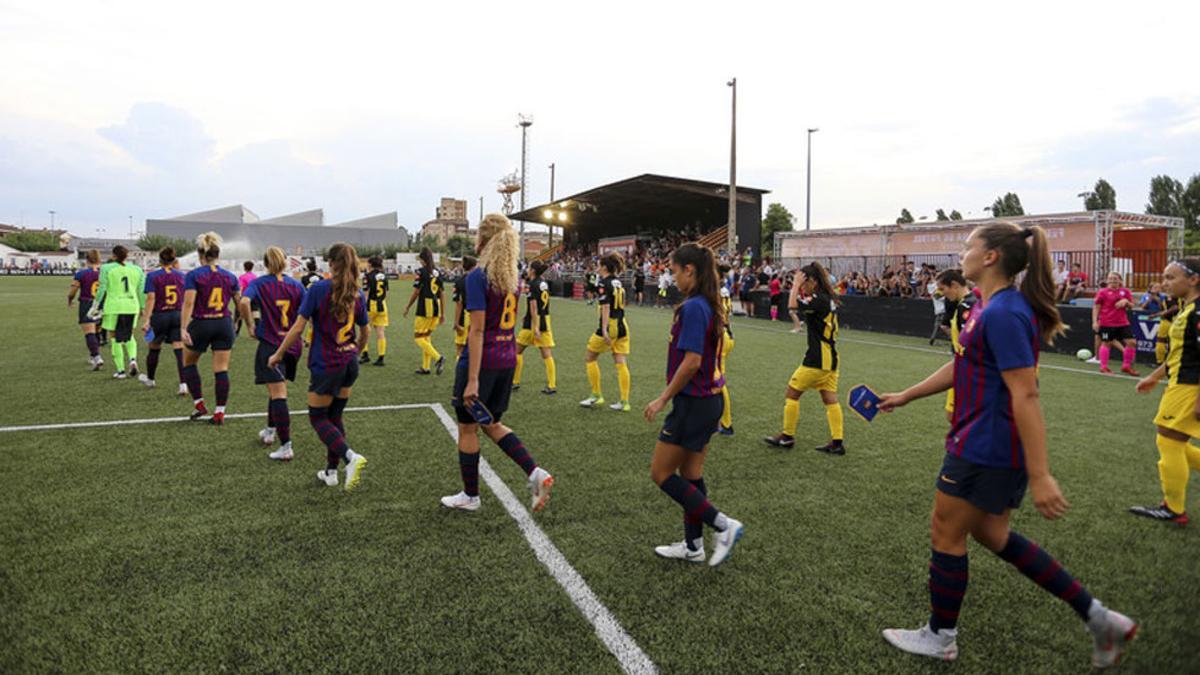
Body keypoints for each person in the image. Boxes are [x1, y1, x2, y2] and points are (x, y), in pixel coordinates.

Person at [876, 223, 1135, 666]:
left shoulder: (1005, 313)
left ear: (991, 256)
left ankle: (940, 636)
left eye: (968, 246)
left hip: (985, 447)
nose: (962, 253)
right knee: (993, 534)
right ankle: (1098, 617)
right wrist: (906, 395)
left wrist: (1040, 474)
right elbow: (964, 365)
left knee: (946, 531)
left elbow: (1026, 393)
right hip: (984, 443)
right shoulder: (986, 306)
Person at [441, 214, 554, 512]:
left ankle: (470, 496)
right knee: (491, 423)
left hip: (483, 362)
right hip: (506, 359)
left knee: (468, 429)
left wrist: (473, 378)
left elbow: (477, 330)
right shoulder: (511, 278)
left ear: (484, 239)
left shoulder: (479, 276)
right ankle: (535, 472)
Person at [644, 243, 744, 566]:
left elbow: (691, 363)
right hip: (709, 401)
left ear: (690, 270)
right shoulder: (707, 304)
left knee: (660, 472)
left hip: (694, 403)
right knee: (690, 474)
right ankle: (693, 546)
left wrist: (662, 398)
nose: (672, 278)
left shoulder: (695, 307)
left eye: (674, 271)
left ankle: (722, 525)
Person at [270, 243, 369, 489]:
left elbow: (298, 327)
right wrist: (355, 349)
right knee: (335, 416)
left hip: (327, 363)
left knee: (318, 418)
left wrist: (278, 354)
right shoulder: (358, 292)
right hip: (349, 362)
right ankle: (331, 473)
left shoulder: (319, 289)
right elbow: (365, 331)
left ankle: (350, 457)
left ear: (333, 263)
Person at [1130, 259, 1200, 524]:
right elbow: (1179, 353)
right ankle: (1173, 506)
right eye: (1164, 277)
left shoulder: (1197, 311)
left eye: (1171, 277)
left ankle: (1174, 509)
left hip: (1188, 387)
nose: (1164, 283)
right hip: (1179, 384)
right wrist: (1154, 376)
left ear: (1193, 280)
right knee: (1173, 441)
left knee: (1169, 439)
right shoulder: (1186, 308)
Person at [764, 261, 845, 455]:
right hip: (831, 358)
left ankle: (787, 436)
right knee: (830, 399)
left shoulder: (818, 299)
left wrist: (794, 286)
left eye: (804, 282)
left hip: (817, 359)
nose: (802, 286)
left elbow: (792, 307)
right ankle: (837, 442)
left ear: (813, 281)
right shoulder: (827, 298)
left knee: (792, 394)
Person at [241, 246, 306, 461]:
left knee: (278, 393)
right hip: (292, 345)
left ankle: (286, 445)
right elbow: (307, 313)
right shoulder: (296, 285)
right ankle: (270, 430)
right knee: (276, 387)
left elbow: (244, 301)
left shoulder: (259, 284)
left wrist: (249, 325)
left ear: (266, 263)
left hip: (271, 344)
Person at [180, 232, 240, 425]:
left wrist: (183, 328)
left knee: (188, 363)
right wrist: (241, 322)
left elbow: (189, 303)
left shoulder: (194, 275)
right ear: (218, 254)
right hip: (223, 323)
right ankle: (220, 412)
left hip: (202, 323)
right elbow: (240, 302)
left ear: (200, 255)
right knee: (221, 369)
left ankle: (199, 403)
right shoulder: (230, 276)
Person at [581, 252, 632, 412]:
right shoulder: (617, 282)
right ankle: (624, 401)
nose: (597, 267)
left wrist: (604, 330)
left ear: (604, 267)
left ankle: (596, 395)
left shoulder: (604, 282)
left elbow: (605, 307)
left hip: (611, 324)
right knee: (620, 361)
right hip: (623, 323)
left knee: (590, 357)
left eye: (599, 265)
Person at [92, 245, 145, 379]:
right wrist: (143, 307)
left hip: (113, 306)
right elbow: (141, 291)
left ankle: (121, 371)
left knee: (114, 337)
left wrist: (96, 305)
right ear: (127, 256)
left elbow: (102, 288)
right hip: (132, 305)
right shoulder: (137, 269)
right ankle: (132, 359)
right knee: (129, 335)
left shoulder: (106, 268)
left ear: (113, 256)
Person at [139, 247, 188, 395]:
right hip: (177, 314)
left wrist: (146, 319)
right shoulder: (181, 275)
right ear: (174, 260)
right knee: (179, 348)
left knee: (154, 346)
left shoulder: (153, 276)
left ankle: (151, 379)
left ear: (160, 259)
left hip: (160, 315)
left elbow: (151, 298)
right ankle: (183, 384)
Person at [512, 260, 557, 394]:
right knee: (546, 354)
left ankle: (515, 381)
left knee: (517, 351)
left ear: (532, 270)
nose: (527, 269)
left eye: (529, 267)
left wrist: (535, 326)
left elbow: (533, 306)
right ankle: (552, 384)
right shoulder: (543, 283)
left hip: (534, 322)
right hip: (544, 319)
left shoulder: (531, 284)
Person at [936, 269, 972, 422]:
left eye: (943, 289)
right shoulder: (964, 304)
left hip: (967, 372)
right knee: (953, 416)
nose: (942, 294)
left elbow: (971, 347)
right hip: (962, 367)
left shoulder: (967, 306)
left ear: (955, 285)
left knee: (956, 416)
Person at [403, 247, 445, 375]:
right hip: (436, 307)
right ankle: (426, 367)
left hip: (425, 307)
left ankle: (438, 358)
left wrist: (408, 306)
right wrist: (443, 313)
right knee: (426, 336)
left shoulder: (421, 272)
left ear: (423, 259)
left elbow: (416, 291)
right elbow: (442, 293)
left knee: (418, 338)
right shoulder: (438, 272)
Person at [1092, 272, 1138, 376]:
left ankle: (1126, 366)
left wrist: (1125, 301)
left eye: (1115, 278)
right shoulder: (1102, 292)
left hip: (1123, 323)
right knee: (1106, 343)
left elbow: (1132, 305)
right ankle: (1103, 367)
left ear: (1120, 280)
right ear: (1107, 280)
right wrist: (1095, 321)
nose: (1113, 280)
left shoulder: (1125, 291)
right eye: (1111, 278)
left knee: (1132, 342)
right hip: (1106, 323)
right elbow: (1096, 307)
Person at [67, 249, 103, 370]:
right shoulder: (104, 273)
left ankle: (97, 357)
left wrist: (70, 300)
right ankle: (93, 356)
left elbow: (73, 291)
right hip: (100, 304)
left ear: (86, 259)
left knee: (89, 332)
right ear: (99, 260)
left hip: (87, 303)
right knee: (97, 330)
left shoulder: (81, 273)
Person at [359, 256, 389, 366]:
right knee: (380, 332)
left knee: (365, 330)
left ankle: (365, 354)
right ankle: (381, 357)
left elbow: (366, 293)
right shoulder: (384, 276)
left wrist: (362, 306)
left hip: (371, 305)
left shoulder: (367, 276)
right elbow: (386, 292)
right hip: (382, 305)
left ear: (370, 264)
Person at [717, 264, 735, 435]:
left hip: (719, 336)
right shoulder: (724, 289)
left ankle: (726, 423)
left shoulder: (713, 290)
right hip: (727, 333)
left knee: (717, 379)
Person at [452, 257, 477, 360]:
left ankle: (461, 374)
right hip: (477, 316)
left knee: (460, 348)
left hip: (464, 316)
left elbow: (458, 304)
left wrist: (456, 323)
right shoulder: (479, 280)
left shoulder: (459, 281)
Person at [235, 261, 257, 335]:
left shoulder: (242, 277)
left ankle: (236, 332)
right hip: (254, 298)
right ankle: (258, 332)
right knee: (255, 314)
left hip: (245, 298)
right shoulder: (255, 277)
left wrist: (239, 297)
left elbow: (240, 288)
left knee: (239, 316)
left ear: (244, 267)